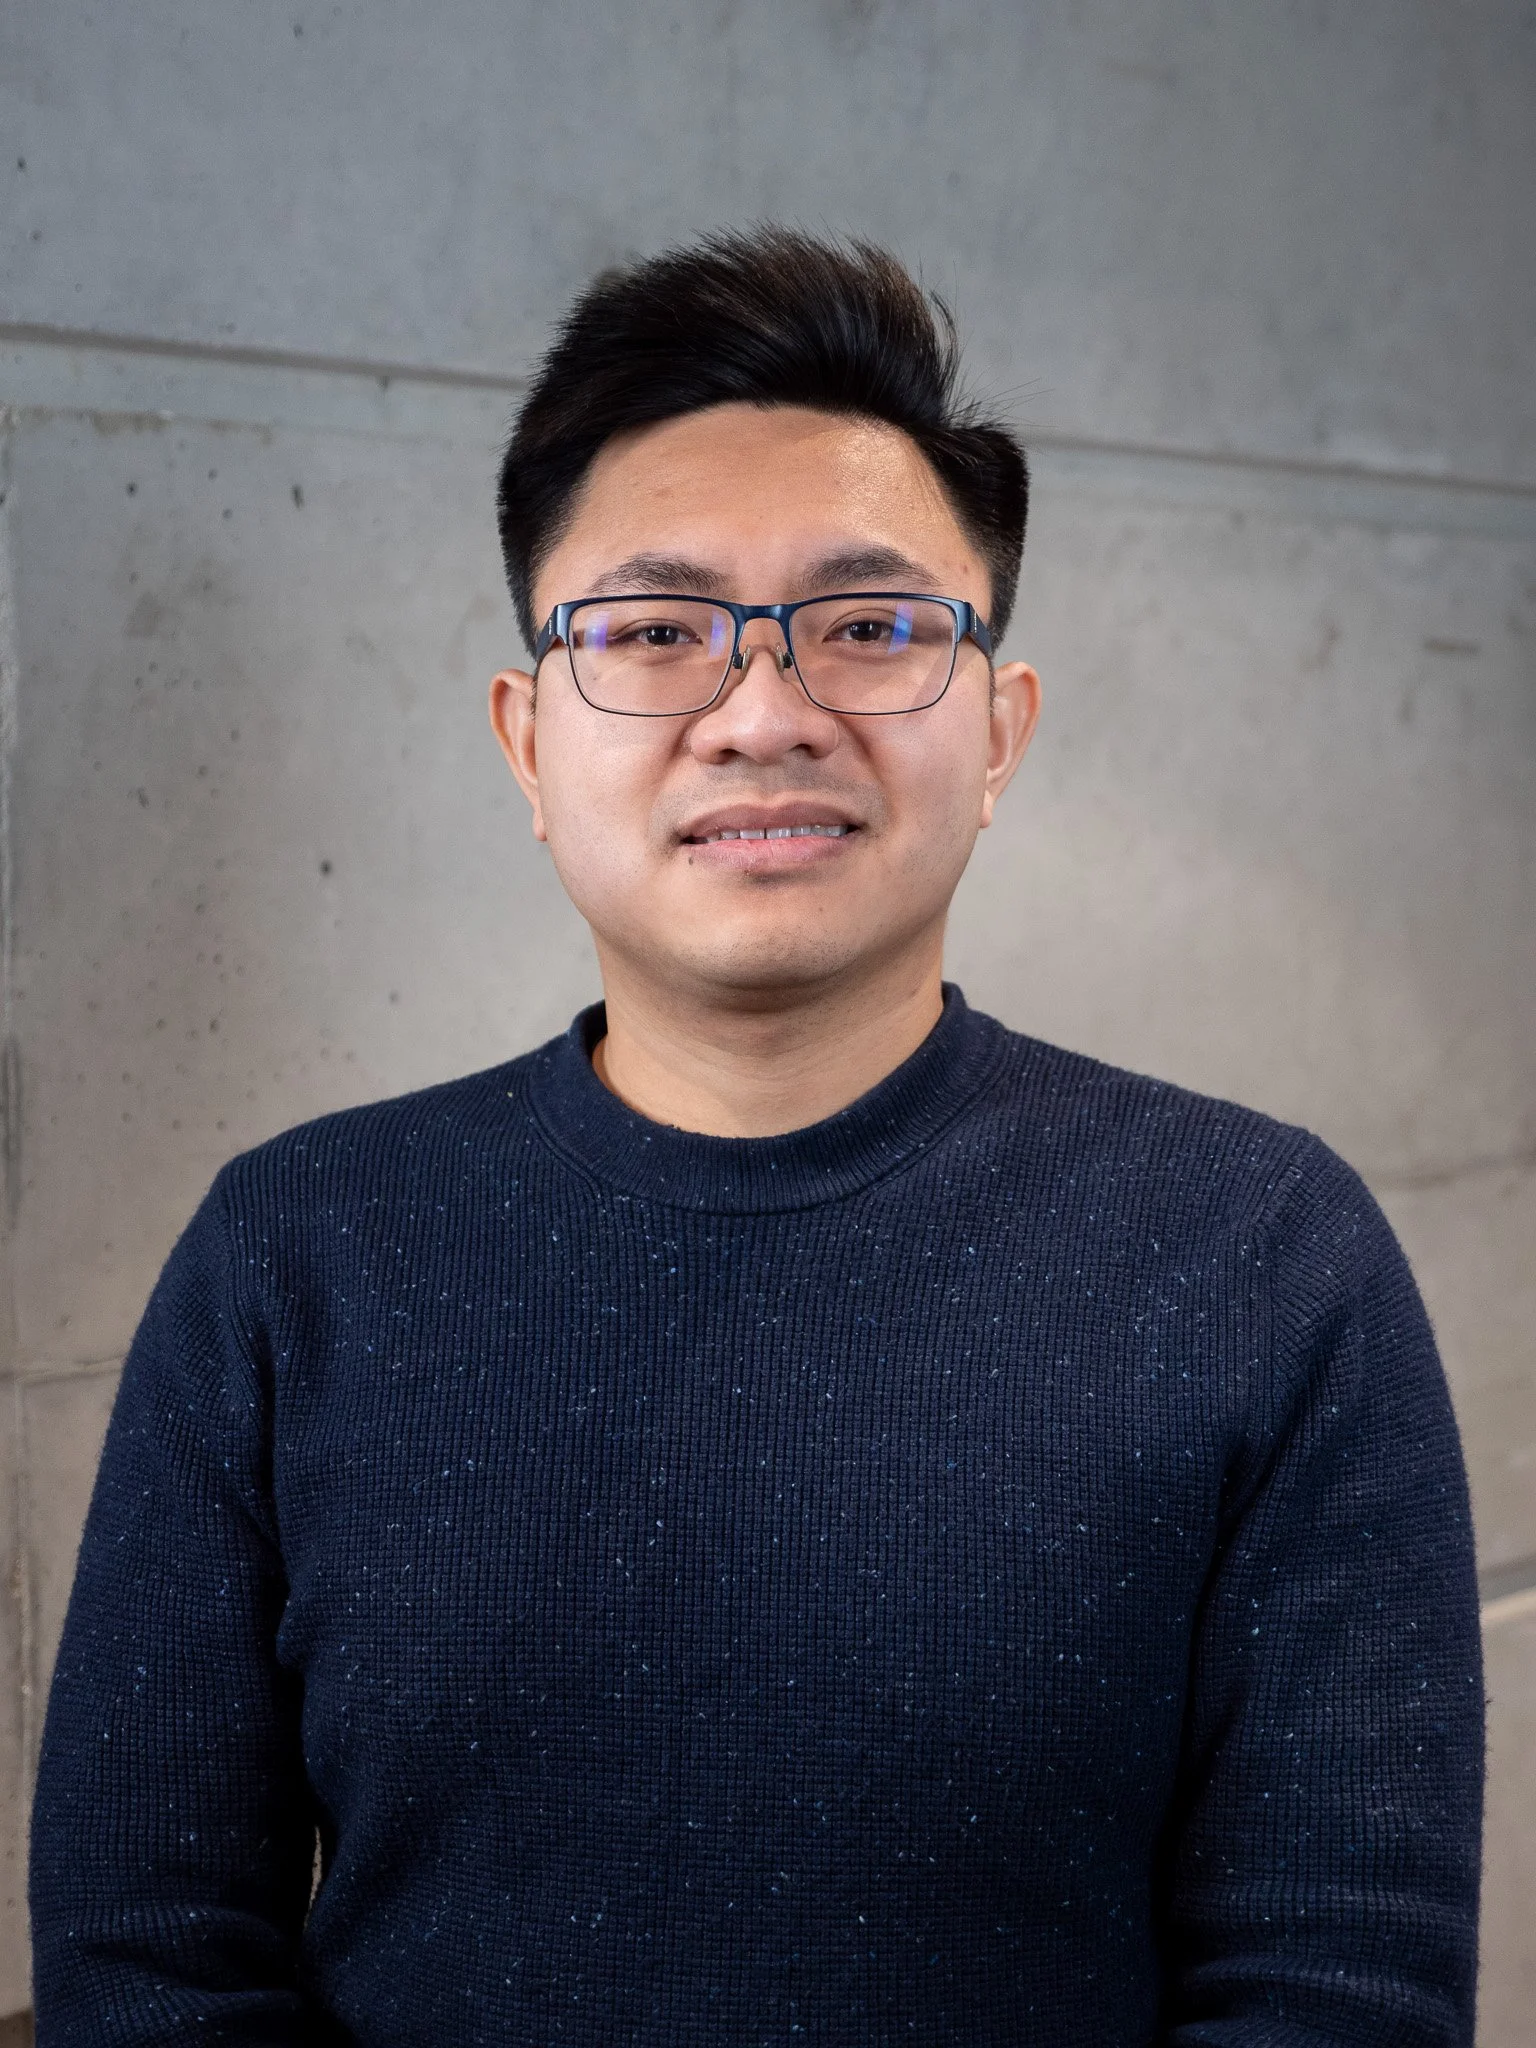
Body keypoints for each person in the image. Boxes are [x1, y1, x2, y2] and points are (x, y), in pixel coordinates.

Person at [30, 229, 1483, 2045]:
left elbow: (1337, 1988)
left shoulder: (1261, 1253)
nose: (765, 715)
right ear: (527, 741)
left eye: (871, 629)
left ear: (1001, 729)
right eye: (655, 634)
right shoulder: (294, 1253)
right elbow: (148, 1955)